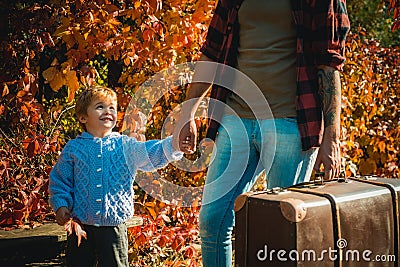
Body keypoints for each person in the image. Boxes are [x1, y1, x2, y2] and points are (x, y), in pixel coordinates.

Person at [172, 0, 350, 266]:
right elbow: (212, 51)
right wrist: (188, 111)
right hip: (235, 119)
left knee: (282, 230)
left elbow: (329, 64)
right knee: (212, 221)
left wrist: (331, 138)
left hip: (289, 123)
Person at [49, 86, 183, 267]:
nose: (108, 111)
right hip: (80, 226)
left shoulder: (126, 146)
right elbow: (60, 181)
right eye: (100, 107)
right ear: (83, 117)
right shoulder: (74, 148)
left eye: (112, 107)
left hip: (114, 227)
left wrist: (174, 144)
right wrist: (61, 206)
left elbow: (151, 153)